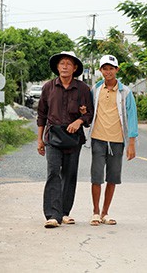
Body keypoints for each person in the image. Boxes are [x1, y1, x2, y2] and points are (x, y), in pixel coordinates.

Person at [37, 51, 94, 228]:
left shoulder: (83, 88)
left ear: (75, 68)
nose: (64, 66)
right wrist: (40, 140)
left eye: (69, 63)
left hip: (73, 138)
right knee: (53, 172)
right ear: (57, 67)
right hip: (53, 136)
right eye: (62, 63)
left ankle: (64, 212)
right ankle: (52, 215)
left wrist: (79, 120)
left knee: (69, 175)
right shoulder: (48, 87)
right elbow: (41, 115)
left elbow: (90, 114)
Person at [88, 54, 138, 226]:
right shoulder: (95, 89)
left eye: (111, 68)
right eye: (105, 68)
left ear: (117, 70)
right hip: (98, 138)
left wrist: (131, 143)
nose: (108, 72)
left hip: (117, 141)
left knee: (113, 177)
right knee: (96, 176)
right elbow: (88, 110)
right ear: (100, 70)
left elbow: (132, 117)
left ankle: (105, 212)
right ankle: (95, 212)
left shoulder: (125, 92)